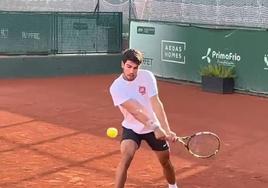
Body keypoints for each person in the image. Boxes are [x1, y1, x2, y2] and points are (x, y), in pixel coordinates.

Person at [109, 49, 178, 188]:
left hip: (154, 127)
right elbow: (136, 111)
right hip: (132, 128)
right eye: (128, 67)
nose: (131, 71)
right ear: (122, 64)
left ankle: (173, 186)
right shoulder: (116, 87)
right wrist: (156, 128)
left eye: (135, 68)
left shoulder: (147, 76)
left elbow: (156, 102)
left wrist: (167, 129)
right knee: (126, 157)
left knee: (165, 161)